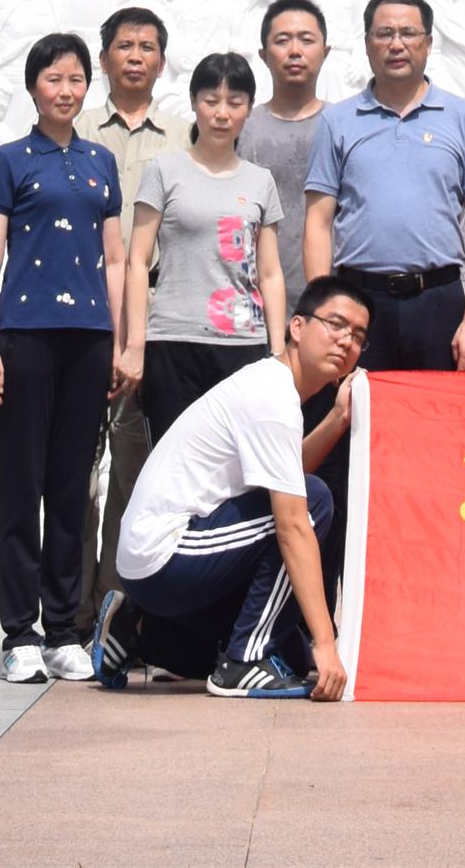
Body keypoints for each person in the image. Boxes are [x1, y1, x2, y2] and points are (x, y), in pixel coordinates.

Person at [93, 278, 371, 700]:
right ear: (297, 327)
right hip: (164, 554)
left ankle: (136, 630)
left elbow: (288, 474)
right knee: (314, 503)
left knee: (292, 657)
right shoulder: (272, 397)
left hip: (162, 566)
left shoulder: (271, 387)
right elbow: (293, 524)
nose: (346, 341)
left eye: (358, 336)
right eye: (336, 324)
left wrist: (337, 418)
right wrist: (327, 643)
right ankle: (244, 662)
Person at [0, 30, 125, 685]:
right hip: (25, 337)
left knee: (71, 488)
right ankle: (20, 632)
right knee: (23, 486)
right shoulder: (9, 160)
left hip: (88, 339)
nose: (66, 91)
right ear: (33, 87)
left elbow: (115, 258)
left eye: (76, 80)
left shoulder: (100, 161)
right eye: (53, 79)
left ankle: (64, 630)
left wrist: (118, 340)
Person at [303, 0, 465, 373]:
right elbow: (318, 223)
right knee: (355, 407)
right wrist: (323, 314)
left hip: (438, 300)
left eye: (408, 33)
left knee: (440, 408)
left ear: (428, 42)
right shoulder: (336, 122)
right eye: (384, 33)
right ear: (366, 43)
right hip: (358, 300)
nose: (396, 44)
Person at [80, 4, 188, 615]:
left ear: (162, 61)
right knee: (75, 474)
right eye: (124, 46)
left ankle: (117, 610)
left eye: (147, 47)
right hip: (81, 314)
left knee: (132, 470)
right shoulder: (75, 126)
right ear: (104, 58)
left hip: (152, 314)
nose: (136, 57)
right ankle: (69, 614)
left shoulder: (183, 135)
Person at [124, 49, 286, 441]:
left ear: (249, 108)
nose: (222, 114)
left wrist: (279, 353)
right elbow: (137, 261)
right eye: (211, 101)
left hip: (243, 344)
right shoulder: (164, 171)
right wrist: (135, 345)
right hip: (173, 341)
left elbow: (269, 272)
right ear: (194, 102)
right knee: (172, 460)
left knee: (237, 463)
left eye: (235, 102)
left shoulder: (260, 181)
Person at [243, 0, 331, 239]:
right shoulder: (241, 128)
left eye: (306, 40)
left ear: (325, 52)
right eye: (282, 41)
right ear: (263, 55)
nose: (295, 51)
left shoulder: (343, 126)